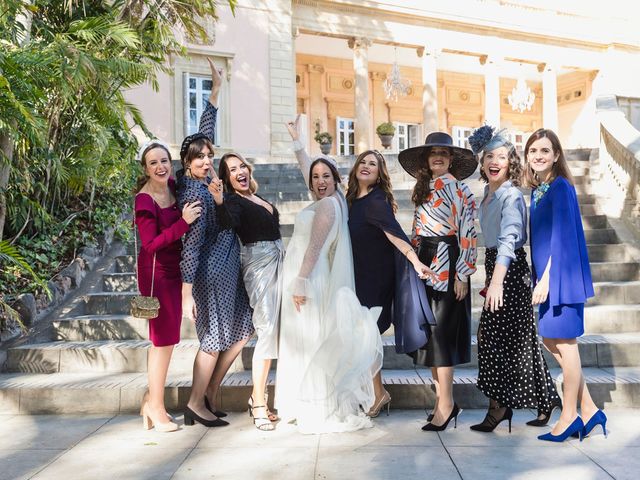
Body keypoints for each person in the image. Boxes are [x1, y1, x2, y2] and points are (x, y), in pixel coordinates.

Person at [286, 116, 435, 419]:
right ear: (355, 170)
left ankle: (377, 394)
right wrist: (299, 144)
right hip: (356, 274)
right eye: (363, 161)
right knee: (360, 335)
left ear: (380, 174)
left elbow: (395, 234)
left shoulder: (377, 201)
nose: (366, 166)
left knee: (364, 333)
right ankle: (376, 393)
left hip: (374, 278)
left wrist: (416, 261)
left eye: (374, 164)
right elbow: (313, 179)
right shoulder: (349, 198)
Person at [274, 151, 383, 434]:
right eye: (315, 177)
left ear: (336, 179)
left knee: (307, 339)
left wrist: (300, 282)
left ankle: (311, 403)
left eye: (326, 176)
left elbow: (314, 247)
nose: (320, 181)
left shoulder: (326, 206)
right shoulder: (335, 201)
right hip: (313, 276)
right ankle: (311, 401)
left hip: (310, 277)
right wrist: (298, 144)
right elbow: (310, 171)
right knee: (310, 338)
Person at [467, 125, 560, 434]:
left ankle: (500, 408)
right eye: (489, 156)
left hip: (510, 270)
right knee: (512, 341)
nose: (495, 161)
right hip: (495, 266)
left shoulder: (510, 195)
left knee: (499, 341)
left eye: (502, 157)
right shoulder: (487, 193)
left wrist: (496, 281)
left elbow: (509, 239)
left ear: (511, 163)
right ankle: (541, 399)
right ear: (482, 163)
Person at [177, 62, 255, 428]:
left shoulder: (206, 176)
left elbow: (203, 131)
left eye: (209, 155)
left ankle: (209, 394)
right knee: (213, 338)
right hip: (210, 272)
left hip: (228, 266)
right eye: (200, 158)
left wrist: (215, 91)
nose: (208, 161)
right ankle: (196, 402)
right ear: (187, 163)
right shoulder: (192, 195)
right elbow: (191, 247)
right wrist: (187, 293)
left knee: (241, 330)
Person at [524, 128, 604, 442]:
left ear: (556, 155)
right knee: (550, 341)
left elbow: (563, 237)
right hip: (546, 278)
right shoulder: (537, 190)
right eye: (533, 151)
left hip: (562, 279)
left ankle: (569, 415)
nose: (538, 156)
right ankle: (590, 409)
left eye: (545, 150)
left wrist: (545, 279)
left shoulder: (561, 187)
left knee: (567, 346)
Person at [398, 132, 478, 432]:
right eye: (433, 152)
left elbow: (468, 232)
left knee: (442, 336)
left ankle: (447, 404)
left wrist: (463, 273)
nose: (439, 157)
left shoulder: (460, 190)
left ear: (451, 159)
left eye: (444, 152)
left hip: (449, 260)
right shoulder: (422, 189)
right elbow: (416, 229)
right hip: (424, 262)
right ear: (426, 160)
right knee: (431, 334)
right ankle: (442, 402)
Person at [208, 152, 284, 431]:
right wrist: (218, 200)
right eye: (231, 170)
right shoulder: (232, 201)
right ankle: (259, 401)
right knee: (266, 330)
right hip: (258, 265)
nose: (239, 172)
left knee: (276, 329)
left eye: (241, 166)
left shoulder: (256, 197)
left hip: (279, 261)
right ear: (226, 179)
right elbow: (227, 222)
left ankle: (259, 397)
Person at [134, 140, 202, 432]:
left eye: (164, 161)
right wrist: (184, 223)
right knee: (161, 341)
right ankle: (156, 407)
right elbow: (150, 245)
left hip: (176, 271)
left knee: (169, 340)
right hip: (156, 274)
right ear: (146, 169)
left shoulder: (174, 185)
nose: (160, 167)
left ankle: (152, 400)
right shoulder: (144, 200)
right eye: (153, 163)